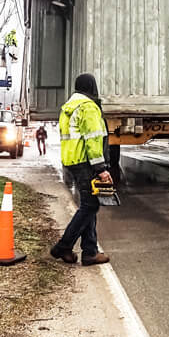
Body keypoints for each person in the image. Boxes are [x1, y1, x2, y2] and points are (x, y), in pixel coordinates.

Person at [50, 73, 112, 266]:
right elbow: (93, 140)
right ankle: (63, 246)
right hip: (85, 162)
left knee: (89, 204)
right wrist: (101, 168)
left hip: (72, 161)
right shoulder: (88, 107)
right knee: (90, 206)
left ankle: (90, 252)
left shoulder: (68, 107)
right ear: (91, 87)